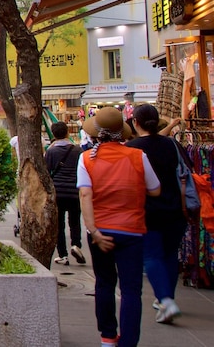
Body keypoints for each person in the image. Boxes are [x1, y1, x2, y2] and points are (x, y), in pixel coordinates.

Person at [78, 106, 161, 347]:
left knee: (104, 283)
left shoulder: (86, 159)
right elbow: (155, 189)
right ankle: (129, 342)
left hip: (100, 231)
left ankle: (107, 337)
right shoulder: (137, 156)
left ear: (97, 132)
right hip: (132, 231)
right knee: (131, 290)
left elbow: (85, 195)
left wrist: (94, 232)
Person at [125, 104, 186, 324]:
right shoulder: (171, 144)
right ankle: (166, 298)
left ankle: (165, 300)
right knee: (170, 255)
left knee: (152, 255)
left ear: (136, 123)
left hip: (146, 210)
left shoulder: (131, 148)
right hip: (174, 208)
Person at [46, 121, 85, 266]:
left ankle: (63, 255)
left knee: (59, 225)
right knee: (75, 222)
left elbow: (47, 170)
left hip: (58, 192)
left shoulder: (51, 152)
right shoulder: (78, 150)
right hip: (75, 191)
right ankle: (76, 245)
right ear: (67, 132)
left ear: (53, 134)